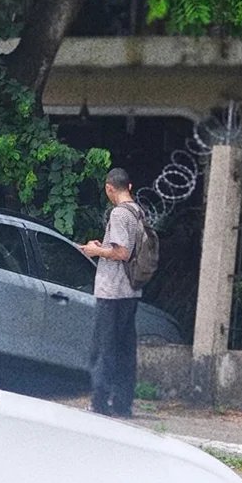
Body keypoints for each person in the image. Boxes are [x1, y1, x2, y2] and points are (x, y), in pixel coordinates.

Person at [80, 168, 142, 417]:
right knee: (125, 349)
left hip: (112, 291)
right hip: (131, 290)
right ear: (130, 186)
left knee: (104, 349)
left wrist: (95, 251)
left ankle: (99, 402)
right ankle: (122, 404)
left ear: (109, 188)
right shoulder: (138, 212)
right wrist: (103, 246)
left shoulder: (118, 214)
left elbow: (121, 252)